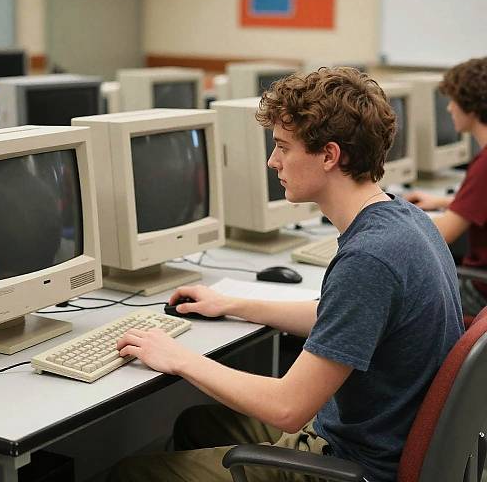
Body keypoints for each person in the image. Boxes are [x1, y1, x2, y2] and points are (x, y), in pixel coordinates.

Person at [110, 68, 463, 482]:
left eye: (282, 147)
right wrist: (236, 304)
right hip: (366, 432)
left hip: (353, 464)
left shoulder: (370, 258)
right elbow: (344, 319)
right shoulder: (404, 218)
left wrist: (177, 358)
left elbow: (288, 409)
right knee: (196, 424)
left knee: (131, 473)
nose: (272, 160)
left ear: (329, 156)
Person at [405, 57, 487, 315]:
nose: (450, 108)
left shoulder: (485, 165)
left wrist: (388, 220)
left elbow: (440, 234)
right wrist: (443, 203)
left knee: (399, 295)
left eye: (453, 100)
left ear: (471, 107)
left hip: (479, 290)